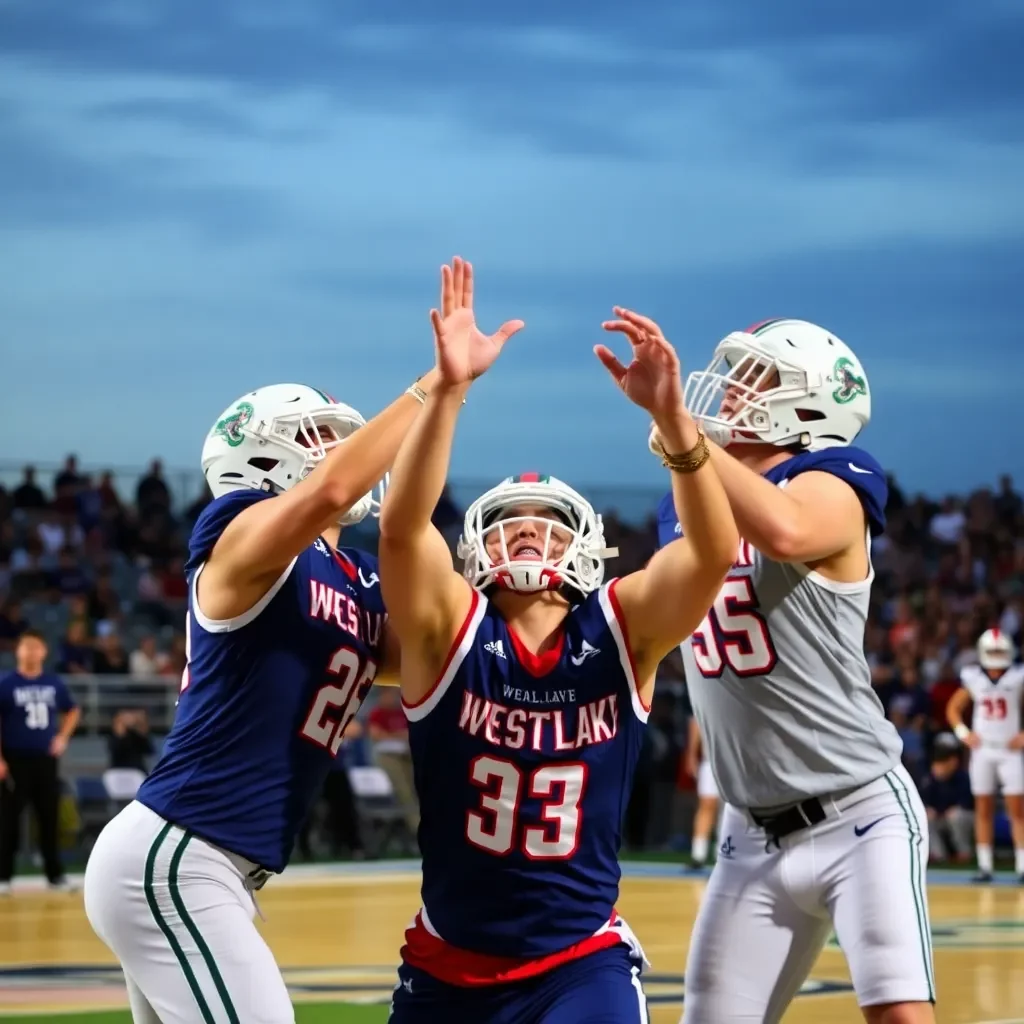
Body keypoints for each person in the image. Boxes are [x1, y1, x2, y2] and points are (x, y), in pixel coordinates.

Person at [379, 256, 738, 1023]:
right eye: (510, 522)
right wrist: (448, 390)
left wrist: (674, 421)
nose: (529, 534)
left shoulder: (623, 624)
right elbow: (403, 528)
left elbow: (712, 551)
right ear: (477, 548)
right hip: (448, 963)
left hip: (577, 962)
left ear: (583, 548)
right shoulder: (449, 628)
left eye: (547, 525)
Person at [83, 367, 440, 1024]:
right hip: (179, 854)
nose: (339, 450)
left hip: (211, 864)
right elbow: (333, 485)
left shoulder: (354, 576)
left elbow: (435, 657)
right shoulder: (236, 526)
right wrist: (434, 389)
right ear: (263, 453)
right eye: (319, 435)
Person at [657, 318, 935, 1023]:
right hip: (749, 832)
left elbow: (784, 530)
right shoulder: (686, 498)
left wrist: (680, 432)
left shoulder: (839, 476)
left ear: (809, 403)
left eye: (754, 376)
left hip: (857, 812)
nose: (731, 390)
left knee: (899, 1015)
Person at [0, 629, 80, 894]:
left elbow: (73, 710)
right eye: (27, 647)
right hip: (14, 760)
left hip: (45, 760)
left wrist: (62, 738)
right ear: (18, 651)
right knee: (8, 820)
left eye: (36, 647)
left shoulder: (53, 683)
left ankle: (54, 876)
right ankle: (3, 877)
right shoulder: (7, 683)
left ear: (44, 652)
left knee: (49, 818)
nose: (31, 651)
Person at [946, 627, 1024, 882]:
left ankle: (1022, 866)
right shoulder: (973, 677)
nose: (996, 655)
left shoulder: (1017, 676)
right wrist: (962, 733)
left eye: (1000, 650)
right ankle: (985, 865)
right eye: (992, 651)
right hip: (982, 750)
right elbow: (954, 708)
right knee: (983, 808)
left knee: (1017, 810)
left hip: (1009, 750)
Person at [918, 733, 973, 865]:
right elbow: (924, 801)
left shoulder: (963, 778)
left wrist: (953, 809)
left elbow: (967, 803)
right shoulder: (930, 780)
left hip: (965, 819)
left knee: (956, 815)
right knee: (925, 816)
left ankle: (964, 853)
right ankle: (938, 854)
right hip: (941, 818)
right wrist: (930, 809)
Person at [683, 716, 720, 867]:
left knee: (733, 809)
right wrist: (691, 754)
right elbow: (696, 721)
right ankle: (698, 854)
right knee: (707, 805)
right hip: (710, 760)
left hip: (736, 760)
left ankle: (724, 853)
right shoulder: (709, 694)